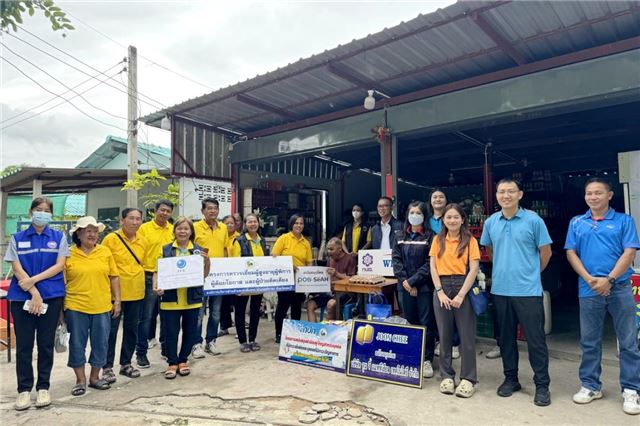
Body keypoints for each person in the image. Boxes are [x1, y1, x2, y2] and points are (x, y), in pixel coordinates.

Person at [565, 177, 640, 415]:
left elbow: (629, 253)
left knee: (628, 341)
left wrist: (609, 280)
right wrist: (590, 279)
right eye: (589, 193)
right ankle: (590, 385)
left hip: (619, 287)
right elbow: (571, 253)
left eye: (598, 192)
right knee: (589, 340)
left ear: (609, 195)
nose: (593, 197)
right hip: (588, 287)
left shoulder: (624, 221)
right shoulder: (577, 222)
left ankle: (631, 389)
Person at [480, 178, 553, 407]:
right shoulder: (491, 222)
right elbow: (490, 250)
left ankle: (542, 385)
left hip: (528, 291)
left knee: (535, 340)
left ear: (520, 194)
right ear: (497, 195)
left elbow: (546, 253)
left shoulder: (534, 220)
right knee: (506, 339)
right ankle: (511, 379)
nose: (506, 195)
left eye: (511, 191)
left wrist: (531, 274)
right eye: (501, 191)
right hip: (501, 290)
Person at [4, 197, 68, 410]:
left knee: (45, 344)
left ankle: (43, 387)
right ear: (31, 212)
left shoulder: (59, 237)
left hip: (51, 297)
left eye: (47, 210)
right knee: (24, 345)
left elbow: (59, 266)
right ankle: (23, 390)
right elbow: (16, 267)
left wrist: (34, 282)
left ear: (51, 214)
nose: (43, 213)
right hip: (22, 297)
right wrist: (33, 292)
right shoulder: (18, 238)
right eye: (39, 209)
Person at [64, 216, 120, 397]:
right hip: (75, 306)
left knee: (101, 343)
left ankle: (95, 378)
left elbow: (114, 277)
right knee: (77, 344)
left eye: (95, 231)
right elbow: (61, 283)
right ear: (78, 234)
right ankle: (80, 380)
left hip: (101, 305)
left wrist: (117, 300)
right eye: (88, 231)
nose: (92, 234)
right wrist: (60, 312)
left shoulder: (105, 252)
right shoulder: (68, 254)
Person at [430, 203, 480, 398]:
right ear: (443, 220)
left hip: (462, 284)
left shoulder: (470, 240)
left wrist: (461, 295)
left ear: (462, 219)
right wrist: (440, 292)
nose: (452, 220)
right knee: (444, 335)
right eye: (448, 217)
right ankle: (446, 376)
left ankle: (468, 378)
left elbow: (474, 269)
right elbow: (433, 267)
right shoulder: (438, 240)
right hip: (441, 286)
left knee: (467, 336)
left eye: (456, 217)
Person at [153, 217, 210, 379]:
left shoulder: (198, 251)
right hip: (170, 299)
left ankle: (183, 360)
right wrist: (156, 286)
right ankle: (172, 362)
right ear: (174, 231)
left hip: (192, 299)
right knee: (170, 332)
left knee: (190, 332)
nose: (183, 231)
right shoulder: (165, 249)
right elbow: (157, 271)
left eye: (186, 229)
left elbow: (204, 275)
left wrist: (207, 262)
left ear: (191, 232)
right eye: (179, 228)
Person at [101, 208, 147, 383]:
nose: (135, 222)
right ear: (122, 220)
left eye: (138, 219)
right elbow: (104, 266)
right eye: (131, 218)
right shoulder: (110, 239)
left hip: (136, 292)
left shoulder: (143, 240)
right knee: (110, 331)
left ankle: (126, 363)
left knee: (131, 329)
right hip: (114, 294)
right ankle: (106, 366)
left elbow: (145, 264)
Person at [391, 201, 436, 379]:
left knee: (426, 323)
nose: (414, 215)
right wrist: (406, 282)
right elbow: (396, 260)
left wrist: (414, 282)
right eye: (412, 212)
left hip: (424, 287)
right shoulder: (399, 235)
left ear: (424, 216)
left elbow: (429, 263)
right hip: (405, 287)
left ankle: (426, 359)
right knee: (410, 321)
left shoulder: (430, 236)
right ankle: (412, 356)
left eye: (418, 213)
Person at [135, 199, 174, 369]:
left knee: (168, 315)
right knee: (146, 317)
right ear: (155, 211)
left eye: (168, 211)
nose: (164, 213)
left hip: (169, 276)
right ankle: (141, 353)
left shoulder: (173, 230)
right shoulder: (144, 229)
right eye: (162, 210)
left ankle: (166, 349)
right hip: (149, 276)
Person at [429, 188, 461, 361]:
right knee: (437, 310)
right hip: (431, 267)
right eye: (435, 197)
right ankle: (439, 340)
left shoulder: (451, 218)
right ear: (430, 201)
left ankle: (454, 343)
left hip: (450, 270)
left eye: (441, 197)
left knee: (452, 309)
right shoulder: (427, 220)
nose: (438, 199)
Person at [193, 198, 229, 357]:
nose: (212, 211)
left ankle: (211, 341)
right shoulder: (195, 227)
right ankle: (196, 344)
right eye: (209, 208)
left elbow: (225, 249)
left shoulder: (223, 228)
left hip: (218, 277)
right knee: (199, 312)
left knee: (215, 312)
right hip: (200, 275)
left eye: (215, 208)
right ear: (203, 211)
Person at [272, 214, 313, 343]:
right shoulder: (284, 238)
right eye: (296, 223)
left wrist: (308, 273)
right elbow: (274, 256)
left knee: (296, 307)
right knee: (282, 307)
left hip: (299, 280)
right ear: (291, 224)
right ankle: (279, 334)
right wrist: (289, 265)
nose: (299, 226)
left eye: (301, 223)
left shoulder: (306, 243)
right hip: (285, 279)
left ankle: (294, 334)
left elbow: (309, 262)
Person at [231, 214, 268, 352]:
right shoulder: (239, 241)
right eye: (250, 222)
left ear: (258, 223)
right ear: (245, 224)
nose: (253, 224)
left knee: (255, 310)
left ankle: (252, 339)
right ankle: (242, 341)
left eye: (255, 221)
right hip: (243, 281)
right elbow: (236, 262)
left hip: (258, 281)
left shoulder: (262, 240)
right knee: (240, 311)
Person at [307, 237, 356, 322]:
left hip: (346, 292)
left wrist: (337, 274)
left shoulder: (350, 259)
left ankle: (326, 328)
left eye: (331, 249)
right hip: (331, 291)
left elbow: (352, 279)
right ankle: (315, 329)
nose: (329, 252)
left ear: (340, 249)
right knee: (310, 304)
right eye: (328, 249)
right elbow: (327, 277)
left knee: (331, 304)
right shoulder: (330, 259)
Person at [218, 215, 239, 337]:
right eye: (227, 223)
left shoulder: (239, 237)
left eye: (232, 223)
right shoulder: (220, 236)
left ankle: (239, 328)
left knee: (237, 302)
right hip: (222, 273)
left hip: (235, 273)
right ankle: (224, 327)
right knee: (223, 302)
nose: (229, 225)